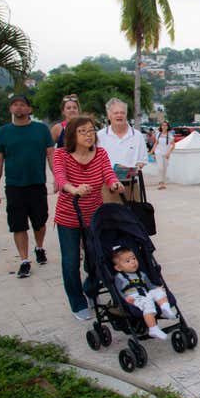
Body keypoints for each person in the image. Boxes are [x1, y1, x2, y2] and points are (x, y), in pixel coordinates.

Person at [53, 116, 125, 320]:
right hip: (69, 216)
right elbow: (60, 178)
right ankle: (77, 302)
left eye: (91, 131)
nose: (88, 135)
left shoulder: (100, 154)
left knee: (97, 258)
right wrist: (73, 189)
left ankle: (91, 289)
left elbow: (107, 173)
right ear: (72, 135)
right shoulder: (61, 155)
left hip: (94, 215)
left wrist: (114, 183)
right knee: (71, 260)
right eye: (82, 131)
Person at [0, 96, 55, 278]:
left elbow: (51, 154)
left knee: (40, 221)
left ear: (29, 109)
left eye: (22, 104)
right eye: (15, 104)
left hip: (36, 183)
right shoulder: (3, 132)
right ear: (10, 109)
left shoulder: (41, 130)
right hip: (14, 186)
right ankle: (24, 260)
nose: (18, 108)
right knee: (18, 225)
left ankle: (39, 247)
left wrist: (58, 178)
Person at [112, 246, 175, 339]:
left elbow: (150, 286)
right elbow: (118, 290)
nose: (133, 262)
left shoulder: (142, 274)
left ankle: (165, 309)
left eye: (134, 258)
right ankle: (153, 329)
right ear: (118, 267)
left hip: (146, 293)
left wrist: (157, 288)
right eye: (128, 261)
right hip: (134, 297)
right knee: (147, 304)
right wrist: (125, 297)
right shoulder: (119, 277)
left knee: (158, 291)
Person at [97, 98, 148, 203]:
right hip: (108, 188)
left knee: (133, 218)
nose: (119, 115)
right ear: (109, 115)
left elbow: (142, 161)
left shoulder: (137, 136)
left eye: (122, 113)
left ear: (126, 115)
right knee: (109, 219)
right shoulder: (99, 136)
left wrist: (136, 166)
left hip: (131, 187)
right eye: (116, 113)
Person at [150, 121, 175, 190]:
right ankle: (160, 183)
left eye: (165, 125)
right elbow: (156, 143)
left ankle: (163, 183)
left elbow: (173, 145)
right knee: (160, 168)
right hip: (158, 153)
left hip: (166, 153)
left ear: (167, 127)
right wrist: (151, 152)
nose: (164, 127)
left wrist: (168, 153)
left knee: (164, 168)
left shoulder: (170, 135)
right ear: (161, 127)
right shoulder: (158, 134)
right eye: (162, 125)